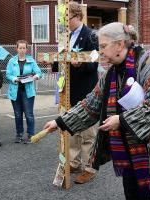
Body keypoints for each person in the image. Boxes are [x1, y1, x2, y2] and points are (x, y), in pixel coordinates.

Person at [44, 22, 150, 200]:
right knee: (132, 192)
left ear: (120, 44)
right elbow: (91, 103)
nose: (101, 53)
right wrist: (60, 122)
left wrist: (120, 120)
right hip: (129, 152)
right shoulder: (111, 74)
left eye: (104, 46)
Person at [50, 2, 99, 184]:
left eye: (67, 19)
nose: (65, 22)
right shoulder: (66, 36)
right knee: (72, 130)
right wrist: (54, 61)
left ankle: (89, 168)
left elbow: (94, 62)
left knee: (88, 134)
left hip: (86, 92)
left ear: (78, 16)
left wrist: (80, 63)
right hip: (68, 92)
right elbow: (61, 60)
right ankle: (74, 162)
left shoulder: (91, 36)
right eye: (63, 19)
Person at [6, 40, 42, 144]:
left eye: (24, 48)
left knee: (29, 114)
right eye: (20, 48)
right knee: (17, 114)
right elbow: (8, 75)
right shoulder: (11, 61)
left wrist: (35, 76)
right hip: (15, 91)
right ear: (16, 49)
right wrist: (14, 79)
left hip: (28, 91)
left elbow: (39, 72)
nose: (22, 50)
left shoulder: (31, 60)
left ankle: (31, 135)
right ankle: (19, 134)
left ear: (27, 49)